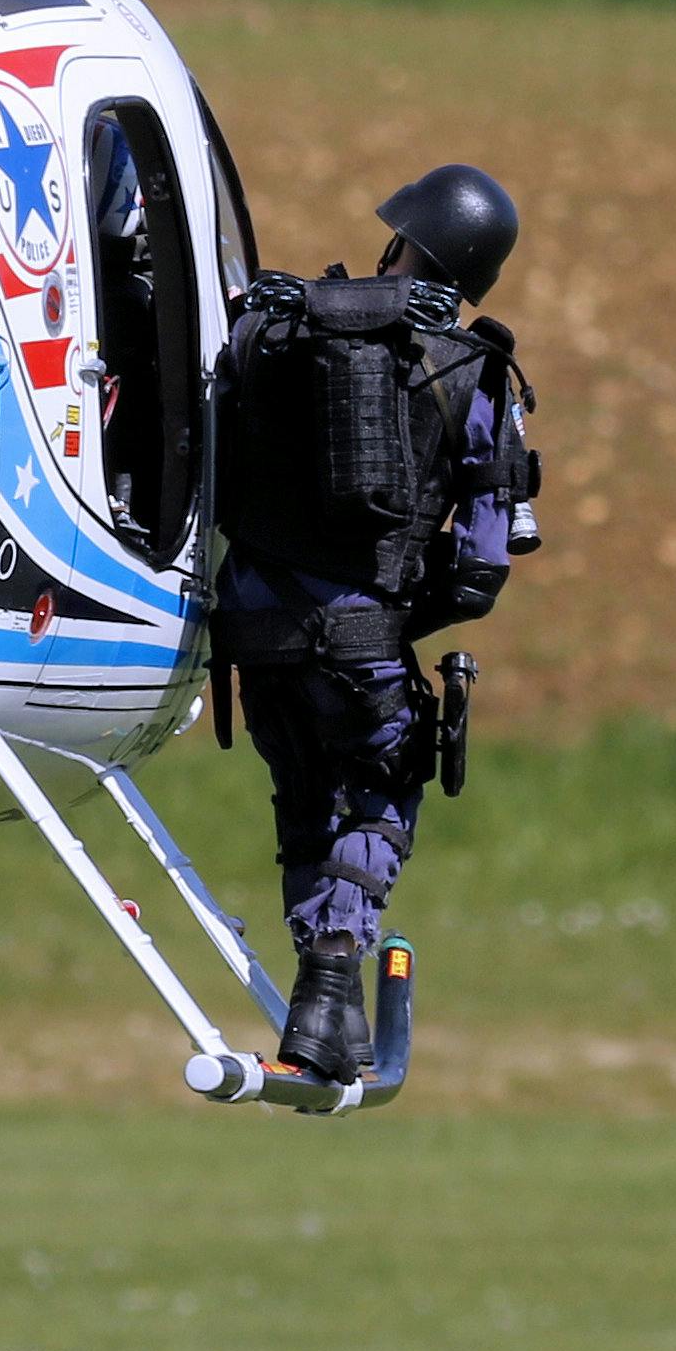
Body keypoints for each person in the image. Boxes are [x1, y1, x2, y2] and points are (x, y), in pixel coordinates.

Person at [210, 161, 540, 1080]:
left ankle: (334, 1019)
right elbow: (479, 572)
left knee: (303, 803)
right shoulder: (474, 368)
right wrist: (391, 615)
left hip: (246, 637)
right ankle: (328, 975)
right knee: (384, 789)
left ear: (400, 240)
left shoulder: (268, 323)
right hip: (358, 641)